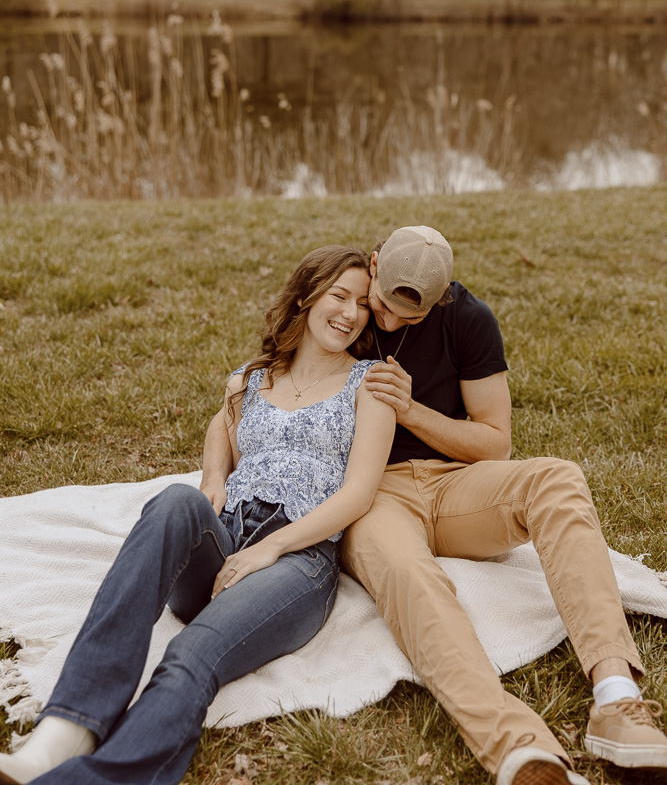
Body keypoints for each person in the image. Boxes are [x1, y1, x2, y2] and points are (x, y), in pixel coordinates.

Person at [0, 245, 395, 785]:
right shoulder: (252, 379)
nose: (351, 314)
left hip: (297, 560)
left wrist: (271, 548)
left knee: (192, 651)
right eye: (338, 296)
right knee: (174, 500)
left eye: (362, 305)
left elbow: (359, 494)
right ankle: (63, 734)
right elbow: (220, 425)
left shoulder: (369, 384)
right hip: (227, 536)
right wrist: (212, 479)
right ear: (305, 297)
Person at [341, 225, 667, 785]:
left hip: (454, 485)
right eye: (383, 306)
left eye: (409, 317)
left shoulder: (469, 319)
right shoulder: (343, 304)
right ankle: (516, 748)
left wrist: (413, 411)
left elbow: (495, 441)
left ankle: (616, 698)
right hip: (370, 491)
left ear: (440, 297)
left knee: (557, 479)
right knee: (410, 575)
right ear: (373, 265)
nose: (389, 322)